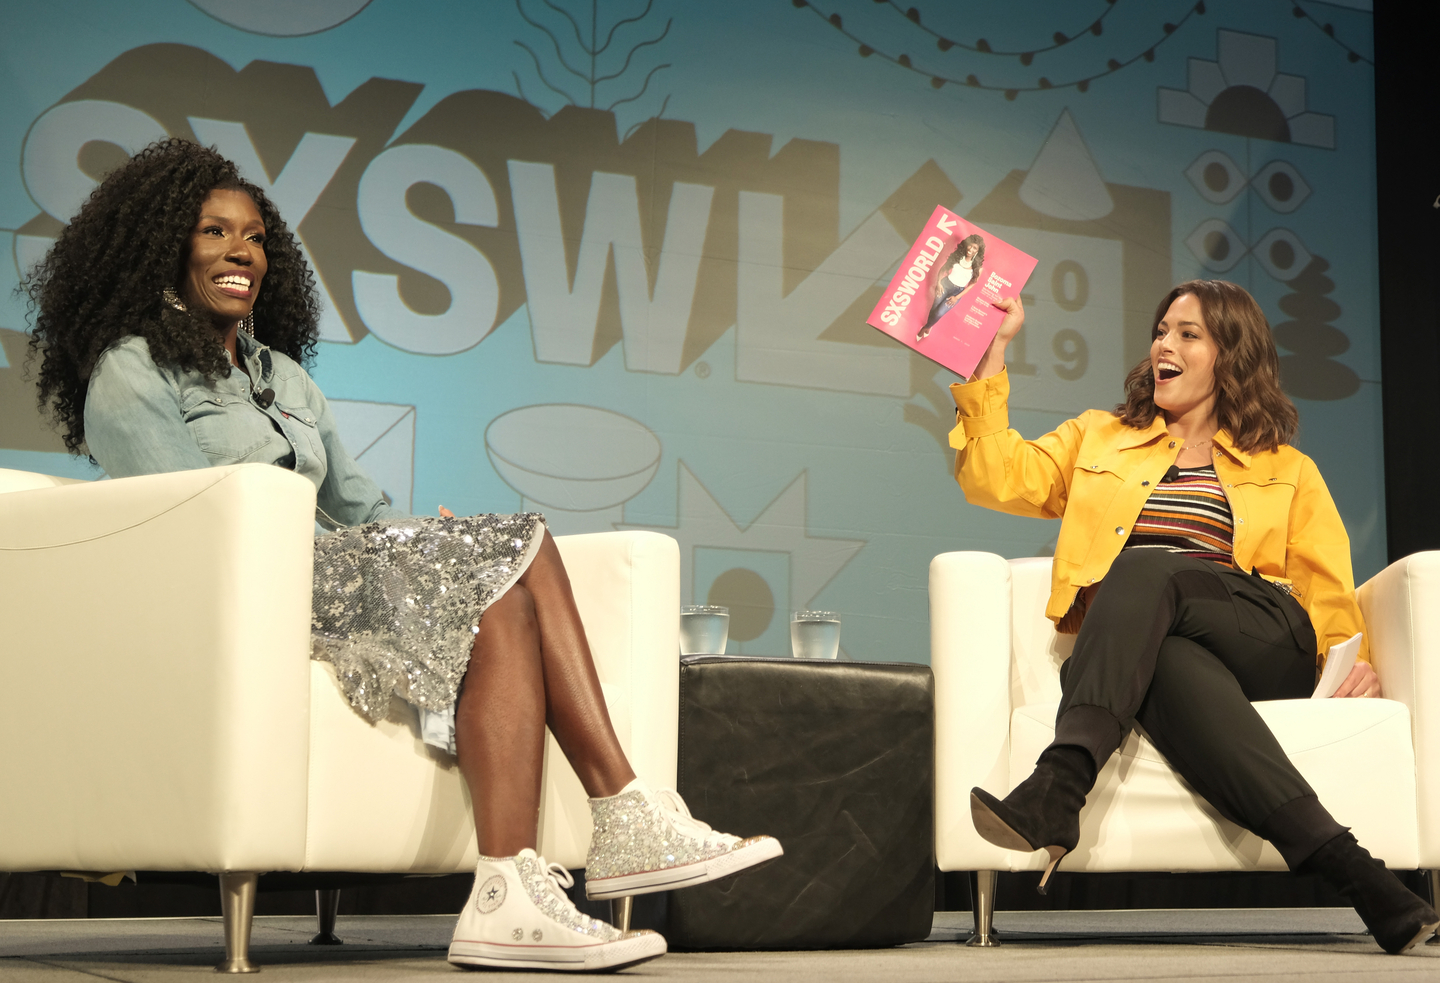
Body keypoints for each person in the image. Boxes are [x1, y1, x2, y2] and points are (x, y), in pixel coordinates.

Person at [24, 139, 781, 973]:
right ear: (165, 249)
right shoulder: (131, 369)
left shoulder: (286, 379)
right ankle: (625, 812)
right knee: (511, 548)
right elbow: (185, 520)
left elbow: (361, 507)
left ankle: (506, 894)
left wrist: (432, 538)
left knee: (507, 580)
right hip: (240, 598)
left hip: (328, 579)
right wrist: (439, 554)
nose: (242, 252)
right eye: (214, 232)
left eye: (256, 238)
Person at [949, 281, 1439, 955]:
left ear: (1230, 355)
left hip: (1263, 635)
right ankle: (1363, 879)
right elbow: (993, 475)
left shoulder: (1286, 467)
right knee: (1166, 661)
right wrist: (991, 355)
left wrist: (1350, 660)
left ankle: (1060, 780)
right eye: (1161, 331)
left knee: (1144, 566)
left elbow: (1324, 582)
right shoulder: (1098, 438)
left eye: (1188, 334)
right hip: (1158, 645)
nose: (1164, 345)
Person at [917, 234, 985, 341]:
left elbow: (972, 284)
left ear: (978, 251)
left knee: (939, 312)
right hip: (945, 284)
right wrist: (939, 283)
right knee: (934, 307)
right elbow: (943, 269)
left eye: (974, 248)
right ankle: (929, 326)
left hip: (957, 292)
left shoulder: (978, 268)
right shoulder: (957, 256)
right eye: (970, 245)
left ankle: (926, 327)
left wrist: (956, 297)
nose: (971, 249)